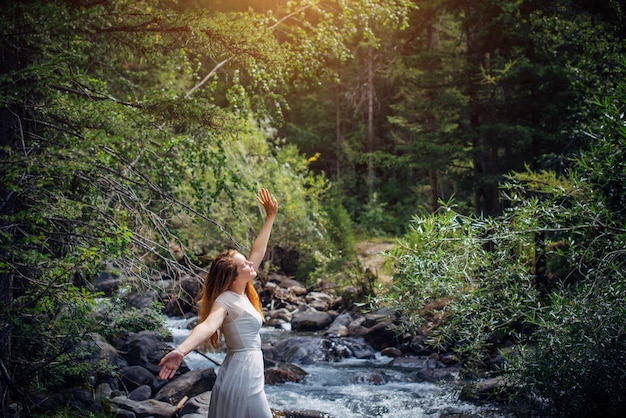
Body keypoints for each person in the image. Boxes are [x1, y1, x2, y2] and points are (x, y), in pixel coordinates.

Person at [158, 188, 278, 418]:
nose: (251, 265)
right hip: (242, 375)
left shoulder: (243, 290)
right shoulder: (226, 301)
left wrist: (270, 217)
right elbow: (207, 326)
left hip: (245, 370)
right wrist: (180, 351)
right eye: (245, 265)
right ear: (232, 276)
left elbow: (258, 250)